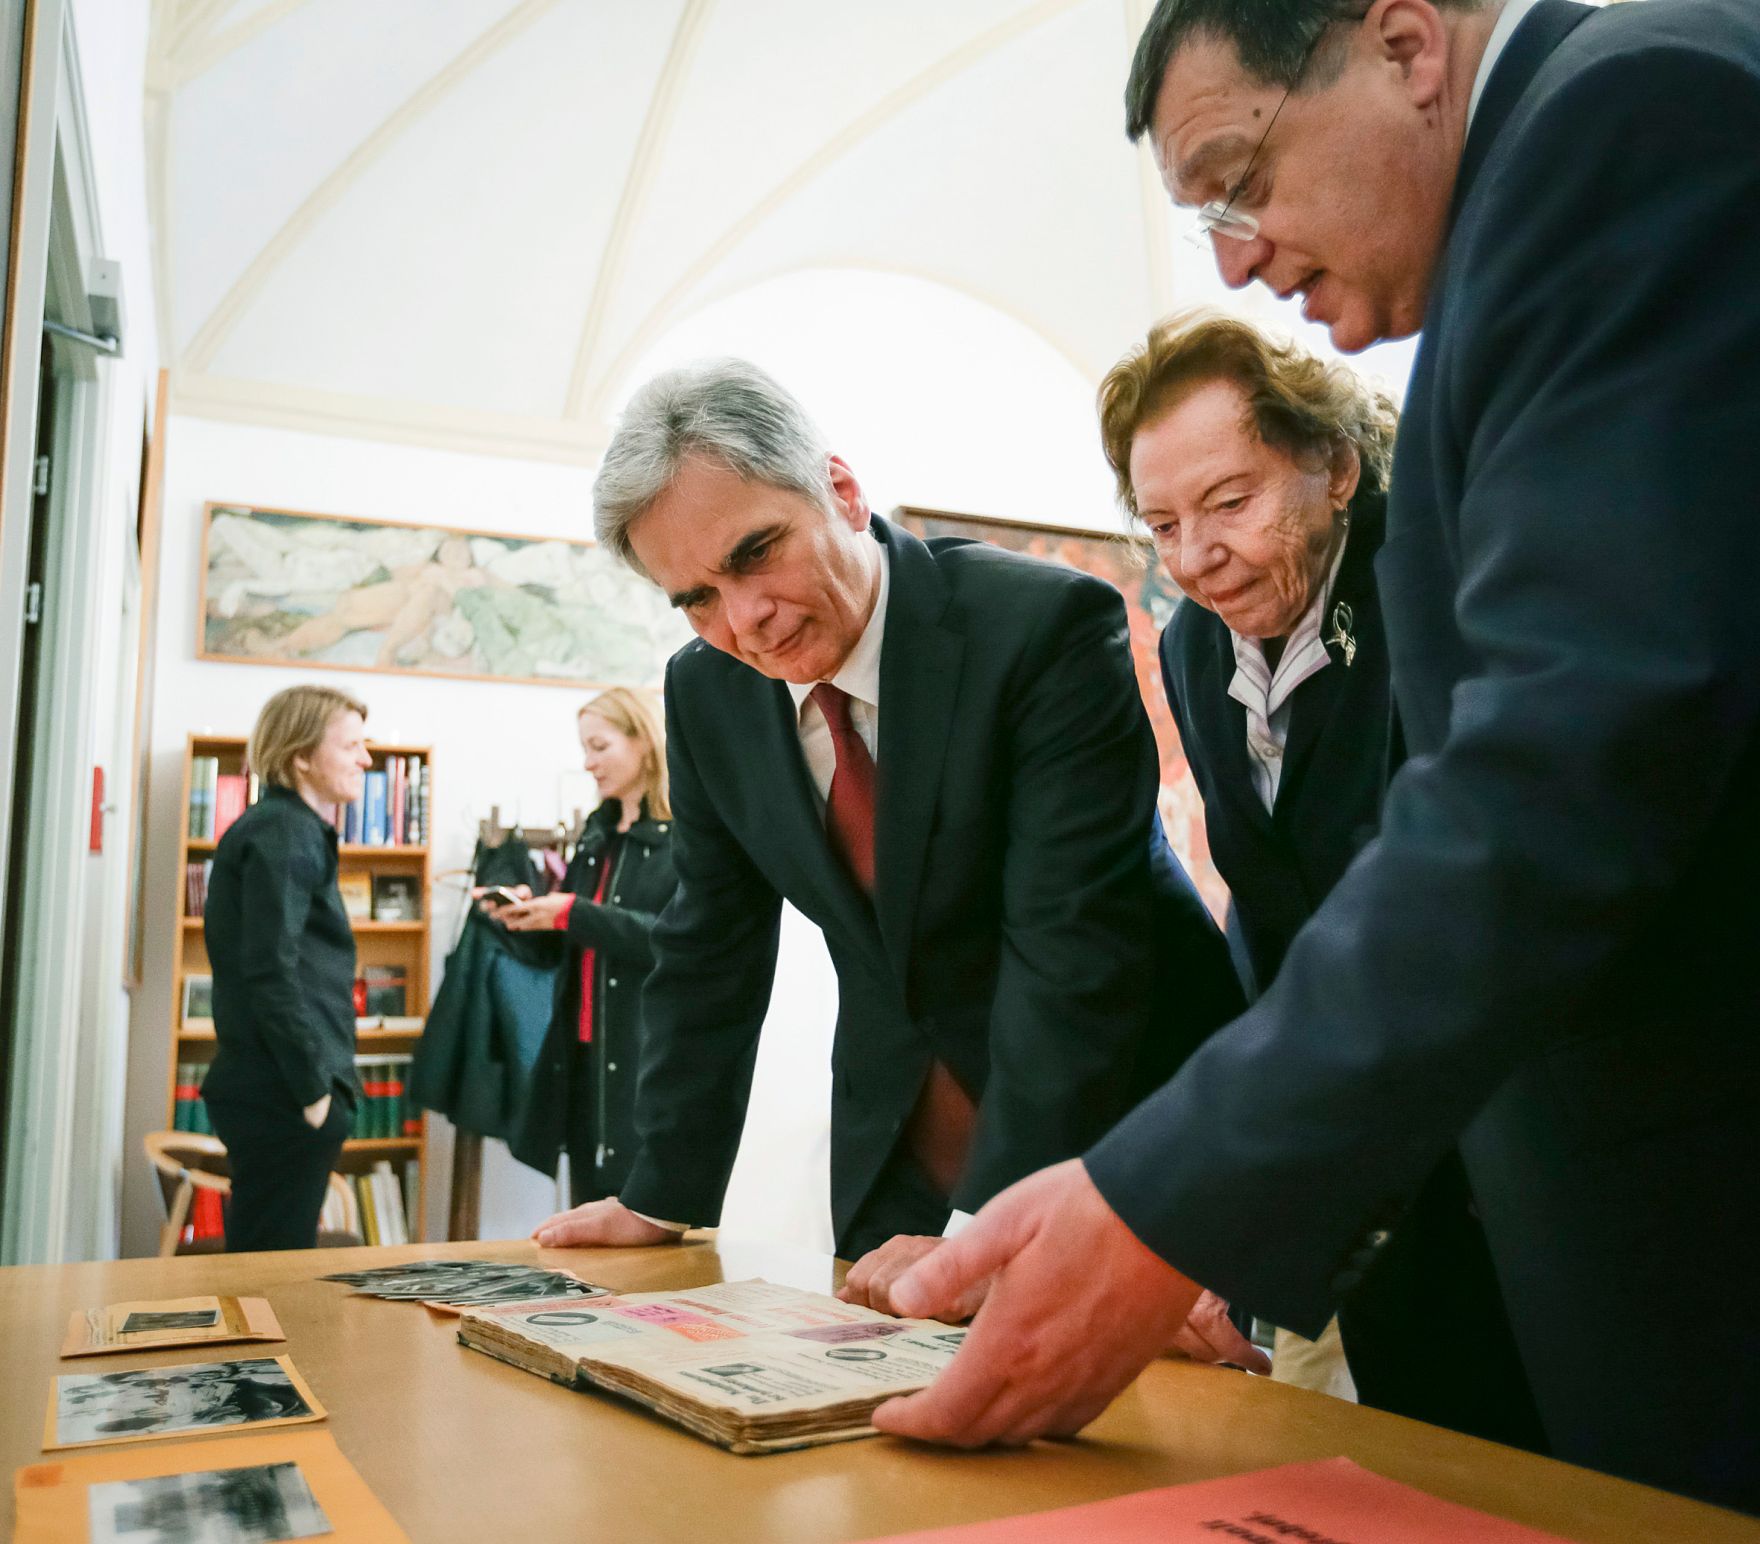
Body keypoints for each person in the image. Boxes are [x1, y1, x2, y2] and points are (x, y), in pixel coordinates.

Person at [872, 0, 1760, 1513]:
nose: (1236, 260)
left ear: (1406, 44)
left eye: (1240, 178)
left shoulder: (1627, 121)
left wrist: (1175, 1208)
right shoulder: (1543, 210)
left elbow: (1563, 766)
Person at [530, 357, 1244, 1292]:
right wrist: (657, 1191)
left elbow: (1071, 950)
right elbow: (708, 945)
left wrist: (983, 1230)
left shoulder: (1037, 628)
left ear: (841, 490)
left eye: (755, 553)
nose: (748, 620)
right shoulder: (707, 693)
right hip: (896, 1145)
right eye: (697, 598)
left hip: (1110, 1123)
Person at [1097, 309, 1543, 1447]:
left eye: (1228, 502)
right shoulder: (1197, 645)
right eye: (1160, 523)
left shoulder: (1443, 573)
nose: (1191, 556)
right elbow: (1272, 909)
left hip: (1532, 1150)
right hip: (1381, 1178)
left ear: (1334, 467)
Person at [202, 685, 370, 1251]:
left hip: (281, 1090)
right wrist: (313, 1093)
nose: (365, 759)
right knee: (269, 1278)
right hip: (284, 1093)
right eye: (350, 746)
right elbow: (271, 970)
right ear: (301, 755)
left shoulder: (285, 829)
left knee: (266, 1269)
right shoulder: (284, 829)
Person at [499, 688, 680, 1205]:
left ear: (643, 742)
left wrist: (572, 912)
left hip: (641, 1064)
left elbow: (673, 939)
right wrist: (523, 917)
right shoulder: (597, 837)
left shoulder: (682, 839)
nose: (587, 762)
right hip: (582, 1061)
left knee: (636, 1229)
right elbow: (574, 947)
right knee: (586, 1224)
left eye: (599, 746)